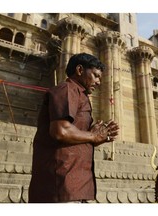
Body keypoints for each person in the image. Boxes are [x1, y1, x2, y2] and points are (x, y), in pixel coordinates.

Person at [28, 53, 119, 203]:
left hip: (74, 186)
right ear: (79, 70)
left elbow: (71, 135)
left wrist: (96, 137)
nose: (98, 82)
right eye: (95, 76)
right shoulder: (67, 89)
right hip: (61, 187)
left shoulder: (79, 95)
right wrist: (93, 136)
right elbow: (60, 130)